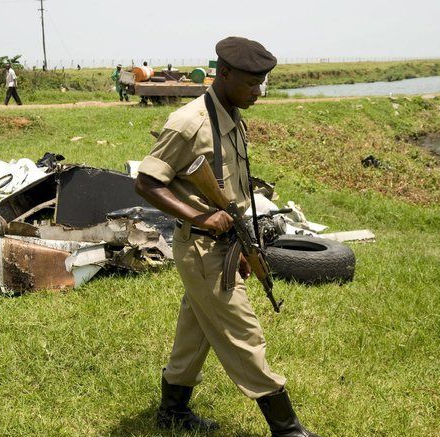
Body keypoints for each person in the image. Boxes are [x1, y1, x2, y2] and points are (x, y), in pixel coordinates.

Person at [135, 36, 321, 437]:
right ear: (225, 73)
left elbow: (231, 191)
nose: (259, 92)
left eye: (263, 83)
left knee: (196, 330)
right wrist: (201, 217)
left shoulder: (232, 115)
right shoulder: (190, 124)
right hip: (202, 248)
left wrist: (241, 244)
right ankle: (287, 429)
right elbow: (148, 183)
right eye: (252, 83)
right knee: (243, 335)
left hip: (224, 244)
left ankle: (172, 413)